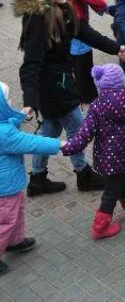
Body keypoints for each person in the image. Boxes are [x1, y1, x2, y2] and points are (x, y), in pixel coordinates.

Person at [15, 0, 125, 196]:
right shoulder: (39, 20)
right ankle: (83, 173)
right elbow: (31, 65)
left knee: (50, 129)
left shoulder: (62, 9)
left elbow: (86, 34)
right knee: (77, 128)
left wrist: (117, 48)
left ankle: (37, 178)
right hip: (53, 86)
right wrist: (29, 102)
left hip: (61, 80)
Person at [61, 64, 125, 239]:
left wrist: (69, 146)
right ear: (120, 82)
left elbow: (84, 134)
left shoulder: (96, 106)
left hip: (105, 157)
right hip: (124, 154)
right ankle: (99, 227)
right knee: (111, 191)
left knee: (122, 179)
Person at [0, 81, 62, 276]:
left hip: (10, 185)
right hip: (4, 189)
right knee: (6, 221)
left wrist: (20, 115)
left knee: (16, 213)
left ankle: (15, 241)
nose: (11, 101)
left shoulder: (3, 127)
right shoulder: (4, 135)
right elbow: (32, 142)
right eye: (7, 100)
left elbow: (8, 122)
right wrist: (59, 145)